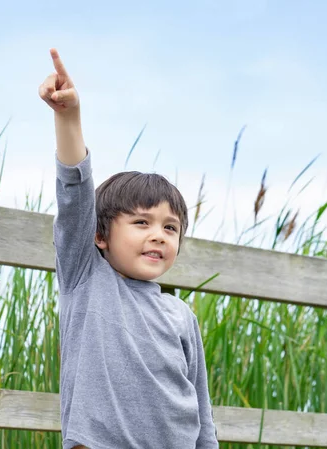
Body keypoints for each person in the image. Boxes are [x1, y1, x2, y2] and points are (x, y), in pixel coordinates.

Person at [39, 48, 219, 449]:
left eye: (170, 228)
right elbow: (74, 197)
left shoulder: (180, 315)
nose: (158, 235)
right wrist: (68, 117)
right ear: (99, 235)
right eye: (141, 222)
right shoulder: (85, 278)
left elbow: (202, 415)